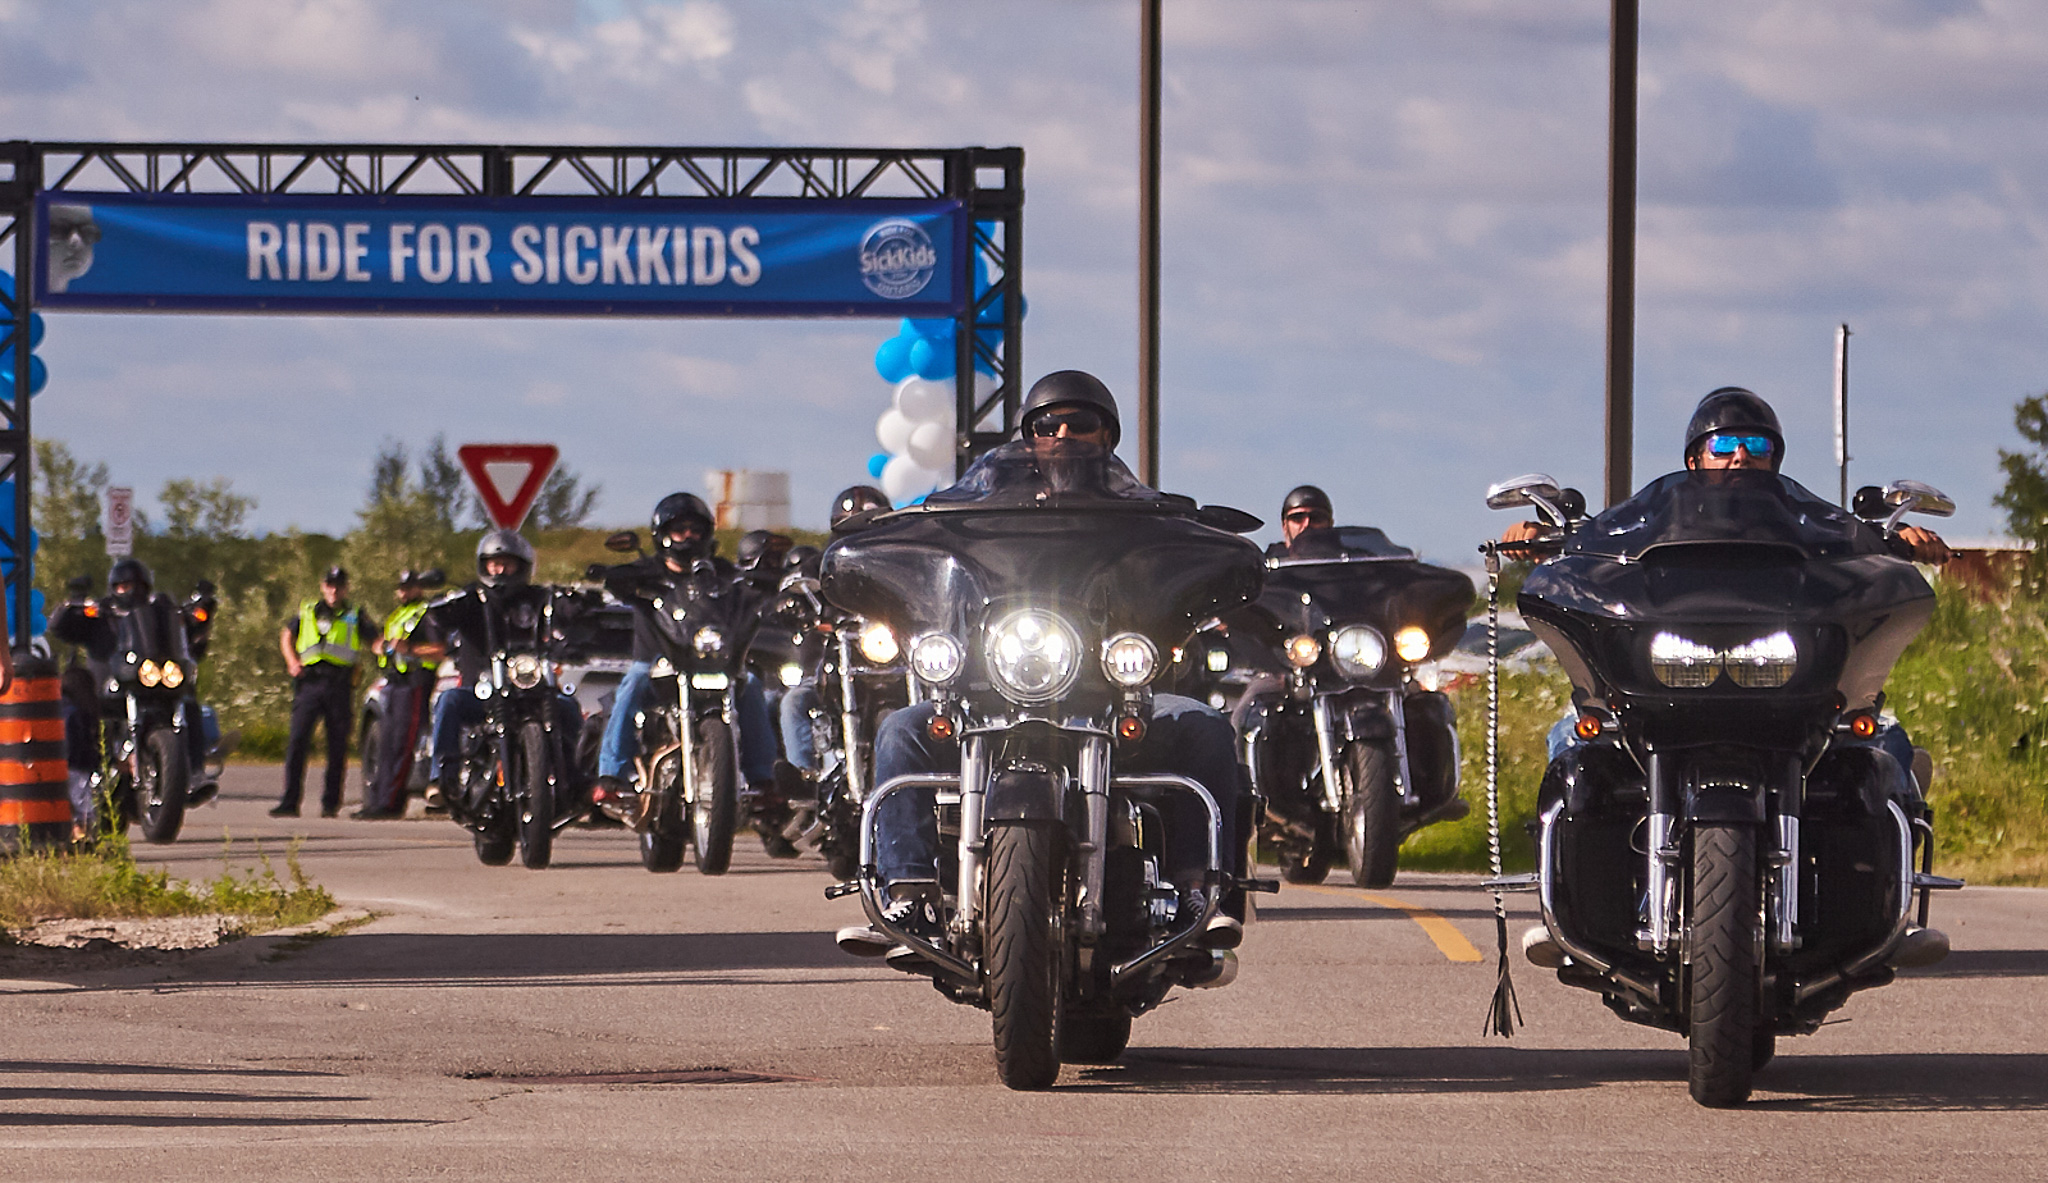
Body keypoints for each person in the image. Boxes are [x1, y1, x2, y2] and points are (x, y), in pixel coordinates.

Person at [1504, 387, 1950, 962]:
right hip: (1669, 680)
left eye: (1756, 444)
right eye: (1724, 444)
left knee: (1880, 743)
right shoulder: (1649, 521)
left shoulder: (1808, 519)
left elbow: (1854, 539)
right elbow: (1599, 538)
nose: (1740, 455)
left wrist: (1900, 540)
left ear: (1774, 458)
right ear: (1696, 458)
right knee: (1575, 737)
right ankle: (1566, 901)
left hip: (1788, 684)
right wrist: (1542, 538)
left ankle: (1895, 902)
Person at [836, 370, 1252, 955]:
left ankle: (1202, 894)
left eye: (1079, 424)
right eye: (1046, 424)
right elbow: (930, 534)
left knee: (1206, 729)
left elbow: (1188, 549)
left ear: (1106, 436)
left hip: (1111, 698)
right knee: (900, 730)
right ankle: (910, 891)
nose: (1061, 433)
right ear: (1026, 436)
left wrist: (1208, 541)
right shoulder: (977, 511)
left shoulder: (1142, 514)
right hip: (986, 695)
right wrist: (889, 533)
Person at [593, 494, 790, 855]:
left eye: (694, 529)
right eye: (678, 529)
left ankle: (763, 779)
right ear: (661, 533)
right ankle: (612, 774)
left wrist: (770, 580)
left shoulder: (721, 574)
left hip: (711, 661)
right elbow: (617, 581)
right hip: (657, 663)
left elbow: (751, 586)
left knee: (752, 685)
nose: (686, 536)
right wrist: (611, 575)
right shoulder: (647, 571)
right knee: (633, 681)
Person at [425, 531, 584, 810]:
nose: (499, 569)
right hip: (483, 693)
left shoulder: (536, 598)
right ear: (483, 565)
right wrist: (442, 604)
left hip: (530, 693)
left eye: (506, 563)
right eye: (493, 563)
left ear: (521, 566)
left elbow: (567, 610)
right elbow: (441, 618)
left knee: (568, 707)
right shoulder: (472, 599)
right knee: (448, 701)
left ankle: (575, 779)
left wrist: (580, 603)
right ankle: (442, 778)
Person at [775, 487, 888, 790]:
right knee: (795, 702)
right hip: (837, 659)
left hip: (889, 660)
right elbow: (796, 582)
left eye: (871, 522)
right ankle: (804, 777)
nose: (862, 530)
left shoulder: (897, 560)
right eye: (852, 524)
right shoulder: (825, 560)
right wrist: (792, 599)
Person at [274, 566, 377, 818]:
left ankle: (330, 804)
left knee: (337, 747)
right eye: (330, 585)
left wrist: (388, 651)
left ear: (346, 588)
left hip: (339, 686)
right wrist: (291, 661)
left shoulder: (355, 614)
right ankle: (290, 802)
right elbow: (287, 634)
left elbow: (374, 639)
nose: (334, 590)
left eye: (339, 586)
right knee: (297, 741)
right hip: (309, 684)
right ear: (323, 586)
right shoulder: (308, 610)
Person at [358, 569, 440, 819]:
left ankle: (390, 804)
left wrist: (412, 649)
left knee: (402, 745)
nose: (405, 591)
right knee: (386, 745)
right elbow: (384, 645)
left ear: (420, 588)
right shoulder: (397, 615)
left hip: (415, 681)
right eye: (401, 587)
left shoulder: (428, 613)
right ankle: (376, 801)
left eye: (410, 587)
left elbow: (440, 649)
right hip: (393, 681)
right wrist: (381, 647)